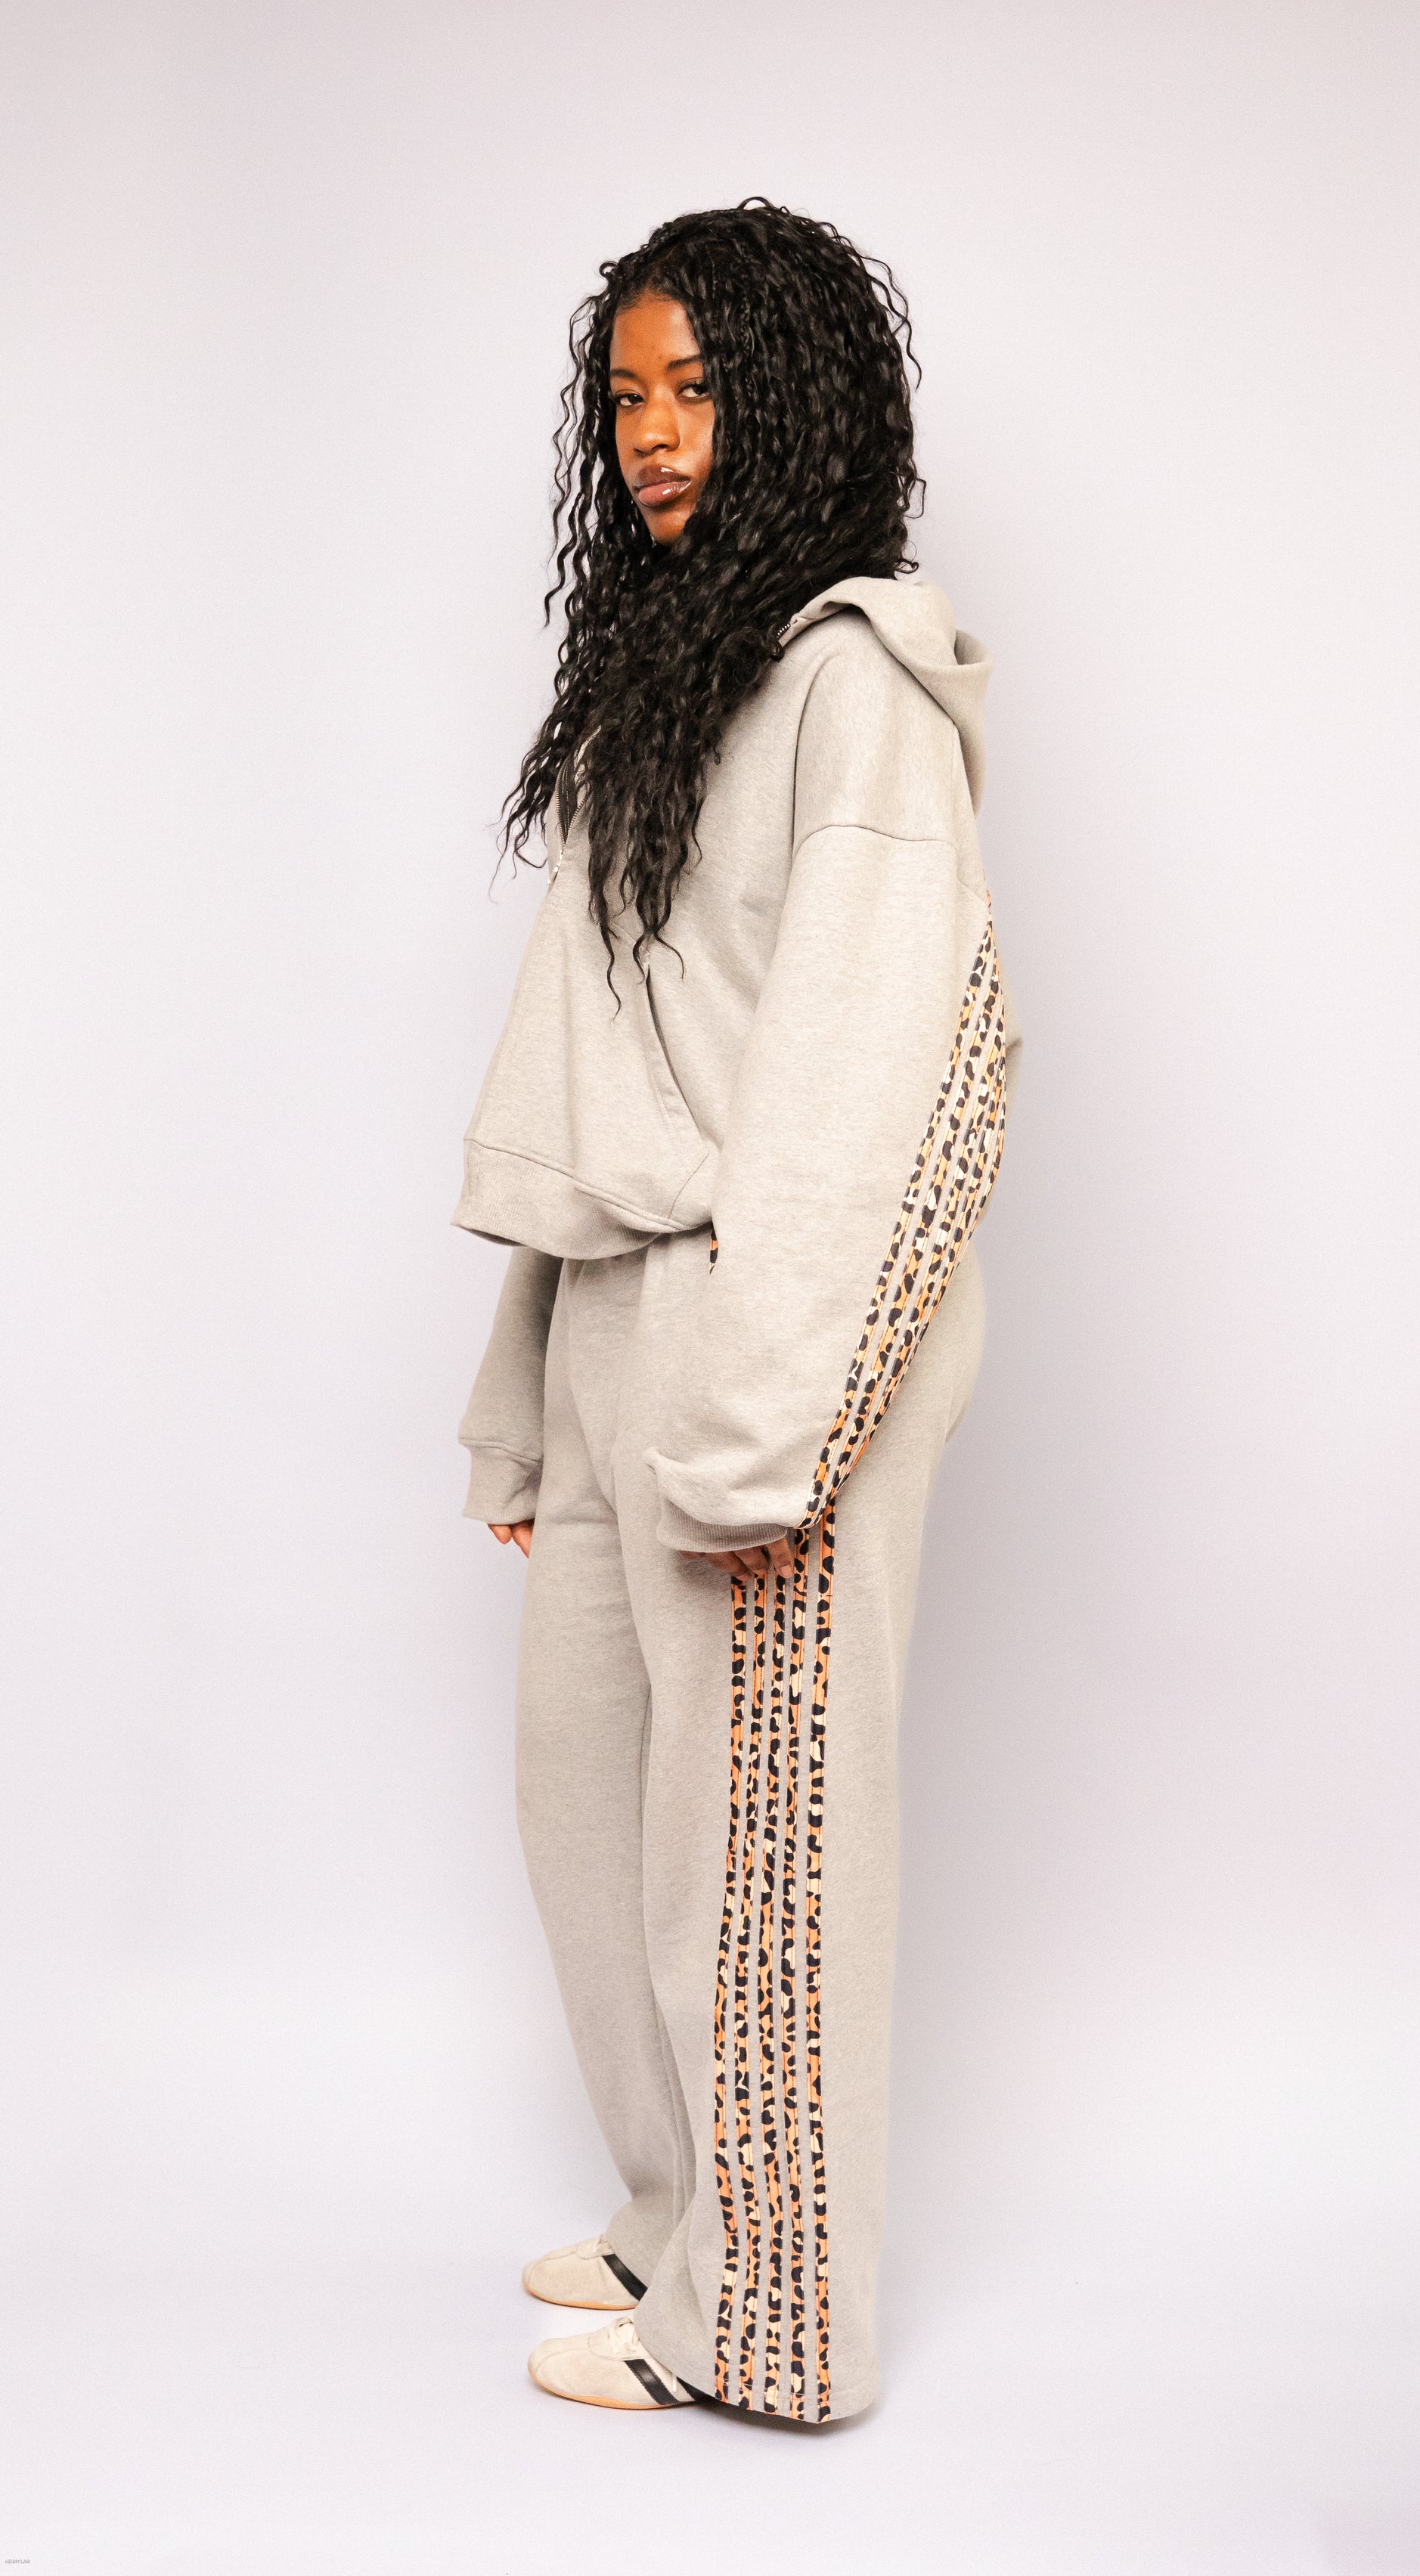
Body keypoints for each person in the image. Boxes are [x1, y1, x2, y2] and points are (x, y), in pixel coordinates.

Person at [453, 200, 1016, 2423]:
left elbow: (873, 1090)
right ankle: (681, 2214)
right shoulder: (674, 674)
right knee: (585, 1805)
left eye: (699, 389)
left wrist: (767, 1426)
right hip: (613, 1311)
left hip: (759, 1332)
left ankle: (775, 2328)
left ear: (797, 405)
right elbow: (597, 1061)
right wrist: (523, 1388)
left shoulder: (858, 689)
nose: (658, 434)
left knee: (752, 1842)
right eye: (628, 396)